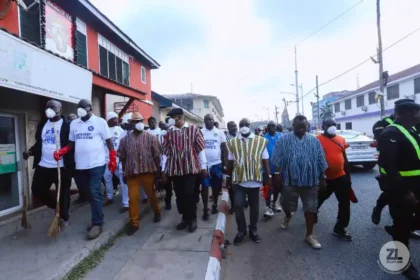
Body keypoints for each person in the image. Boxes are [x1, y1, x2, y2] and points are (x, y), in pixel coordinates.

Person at [54, 99, 116, 240]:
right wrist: (63, 151)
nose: (80, 110)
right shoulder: (74, 123)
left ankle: (97, 223)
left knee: (94, 192)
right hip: (80, 165)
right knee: (87, 193)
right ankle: (98, 214)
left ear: (89, 109)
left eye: (83, 107)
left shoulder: (100, 122)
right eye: (78, 107)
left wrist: (112, 157)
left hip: (97, 163)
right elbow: (71, 143)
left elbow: (108, 141)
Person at [377, 99, 420, 279]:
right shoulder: (390, 132)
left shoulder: (410, 131)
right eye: (418, 112)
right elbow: (387, 163)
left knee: (410, 222)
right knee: (402, 224)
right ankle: (405, 265)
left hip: (417, 185)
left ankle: (397, 230)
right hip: (401, 188)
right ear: (410, 114)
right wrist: (404, 191)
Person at [271, 115, 327, 249]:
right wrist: (277, 175)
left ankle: (309, 235)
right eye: (299, 127)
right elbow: (277, 158)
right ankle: (288, 215)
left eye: (304, 127)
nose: (302, 129)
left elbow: (320, 160)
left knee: (311, 208)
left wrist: (322, 177)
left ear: (307, 126)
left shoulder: (314, 141)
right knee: (286, 204)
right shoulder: (284, 140)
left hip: (310, 181)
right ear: (293, 126)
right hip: (290, 180)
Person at [23, 100, 73, 230]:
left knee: (63, 194)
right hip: (43, 165)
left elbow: (73, 143)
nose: (49, 109)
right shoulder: (43, 124)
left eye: (52, 107)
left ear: (60, 110)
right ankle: (55, 207)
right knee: (37, 190)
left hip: (62, 167)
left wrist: (64, 151)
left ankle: (63, 217)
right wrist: (30, 151)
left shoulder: (68, 125)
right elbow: (40, 143)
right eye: (47, 107)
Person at [162, 108, 207, 232]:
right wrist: (163, 170)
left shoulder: (193, 130)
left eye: (173, 116)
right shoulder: (169, 132)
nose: (171, 119)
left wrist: (203, 167)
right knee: (179, 195)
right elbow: (165, 153)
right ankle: (185, 218)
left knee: (189, 193)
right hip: (175, 169)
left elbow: (200, 149)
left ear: (180, 117)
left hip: (190, 168)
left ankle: (192, 219)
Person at [227, 118, 271, 245]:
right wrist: (228, 178)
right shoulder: (233, 142)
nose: (244, 126)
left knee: (254, 208)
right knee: (238, 205)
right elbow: (230, 161)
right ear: (239, 127)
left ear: (251, 126)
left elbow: (266, 160)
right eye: (242, 124)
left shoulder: (260, 141)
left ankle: (253, 230)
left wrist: (268, 176)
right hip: (239, 181)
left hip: (254, 180)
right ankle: (241, 231)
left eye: (246, 124)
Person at [118, 113, 162, 235]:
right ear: (131, 124)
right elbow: (122, 157)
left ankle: (157, 212)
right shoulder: (125, 140)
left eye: (141, 120)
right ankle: (134, 223)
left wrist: (158, 171)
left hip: (148, 172)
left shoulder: (151, 137)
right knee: (133, 199)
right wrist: (123, 172)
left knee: (151, 195)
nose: (139, 123)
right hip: (132, 174)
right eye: (136, 121)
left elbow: (157, 155)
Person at [317, 118, 352, 241]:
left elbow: (344, 158)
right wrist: (321, 178)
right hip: (325, 178)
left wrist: (348, 177)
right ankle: (312, 213)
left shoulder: (341, 140)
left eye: (334, 124)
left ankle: (340, 228)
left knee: (344, 203)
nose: (332, 126)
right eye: (329, 124)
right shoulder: (317, 140)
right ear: (323, 126)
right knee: (320, 198)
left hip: (341, 177)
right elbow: (314, 160)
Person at [200, 114, 228, 220]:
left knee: (216, 187)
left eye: (210, 119)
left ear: (213, 121)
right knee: (205, 187)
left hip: (217, 164)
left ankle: (215, 203)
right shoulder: (201, 132)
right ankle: (206, 209)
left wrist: (225, 163)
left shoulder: (219, 132)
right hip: (204, 165)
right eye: (206, 120)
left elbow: (224, 148)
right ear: (204, 121)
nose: (208, 121)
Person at [103, 112, 129, 213]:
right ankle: (109, 198)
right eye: (114, 119)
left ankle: (126, 203)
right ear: (109, 120)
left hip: (118, 160)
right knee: (107, 179)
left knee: (123, 181)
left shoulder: (120, 131)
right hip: (107, 160)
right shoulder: (104, 130)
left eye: (117, 118)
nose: (117, 120)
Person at [120, 112, 149, 203]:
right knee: (127, 186)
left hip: (143, 164)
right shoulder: (123, 136)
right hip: (129, 165)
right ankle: (126, 203)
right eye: (133, 122)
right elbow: (121, 152)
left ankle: (145, 196)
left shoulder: (147, 135)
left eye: (139, 121)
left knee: (144, 183)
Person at [263, 121, 282, 218]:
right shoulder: (263, 138)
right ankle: (268, 207)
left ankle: (274, 203)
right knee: (268, 188)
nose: (272, 128)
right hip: (267, 168)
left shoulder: (281, 136)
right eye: (270, 126)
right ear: (267, 128)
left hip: (279, 169)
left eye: (273, 126)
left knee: (277, 187)